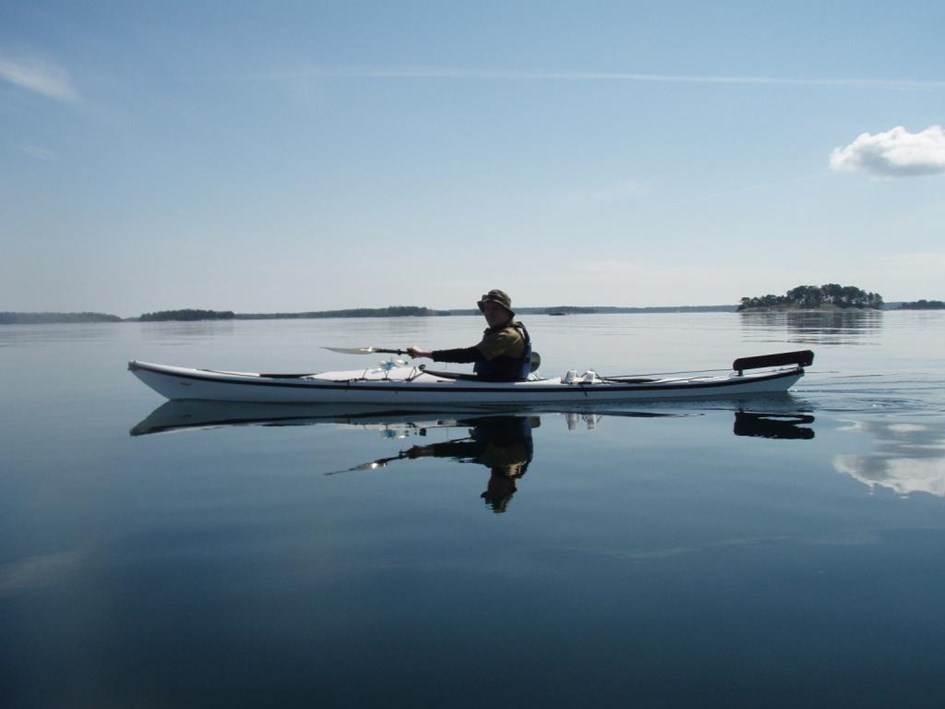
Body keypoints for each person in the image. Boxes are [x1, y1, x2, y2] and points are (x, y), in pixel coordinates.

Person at [406, 289, 532, 381]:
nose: (489, 313)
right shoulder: (498, 332)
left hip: (500, 385)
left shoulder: (507, 335)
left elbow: (468, 355)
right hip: (492, 381)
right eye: (487, 309)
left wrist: (423, 353)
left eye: (495, 309)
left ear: (507, 312)